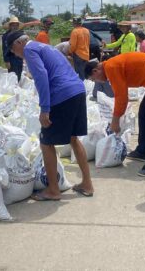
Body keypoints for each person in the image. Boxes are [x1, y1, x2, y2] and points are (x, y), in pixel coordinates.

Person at [7, 30, 94, 201]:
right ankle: (87, 184)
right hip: (77, 90)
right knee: (73, 138)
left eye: (12, 50)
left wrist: (45, 108)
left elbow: (41, 76)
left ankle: (53, 190)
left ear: (19, 43)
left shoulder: (29, 50)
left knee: (46, 143)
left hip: (62, 95)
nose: (15, 54)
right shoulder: (46, 47)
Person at [85, 52, 145, 177]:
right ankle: (144, 150)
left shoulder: (111, 67)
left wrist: (115, 121)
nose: (97, 81)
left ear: (95, 71)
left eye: (94, 79)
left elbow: (121, 97)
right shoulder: (110, 66)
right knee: (143, 114)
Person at [2, 16, 24, 80]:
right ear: (10, 26)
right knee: (12, 77)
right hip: (11, 59)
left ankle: (17, 86)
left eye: (16, 25)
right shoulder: (5, 36)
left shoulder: (20, 34)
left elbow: (23, 47)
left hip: (19, 59)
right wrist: (7, 61)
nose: (15, 27)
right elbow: (4, 49)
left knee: (19, 75)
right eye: (13, 25)